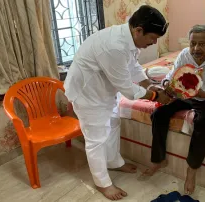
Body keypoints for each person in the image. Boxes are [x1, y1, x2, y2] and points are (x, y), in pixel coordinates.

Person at [63, 5, 171, 201]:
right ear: (138, 30)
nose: (154, 43)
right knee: (96, 139)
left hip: (104, 90)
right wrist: (154, 96)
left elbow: (133, 66)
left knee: (113, 124)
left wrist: (149, 84)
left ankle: (114, 162)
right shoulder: (114, 46)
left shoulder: (129, 39)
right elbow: (127, 88)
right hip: (88, 94)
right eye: (152, 38)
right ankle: (102, 183)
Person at [142, 25, 205, 195]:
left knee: (204, 122)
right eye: (193, 44)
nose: (196, 49)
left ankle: (192, 170)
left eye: (202, 44)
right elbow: (171, 76)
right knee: (159, 113)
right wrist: (168, 85)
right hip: (185, 96)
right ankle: (158, 159)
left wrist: (202, 93)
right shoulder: (184, 54)